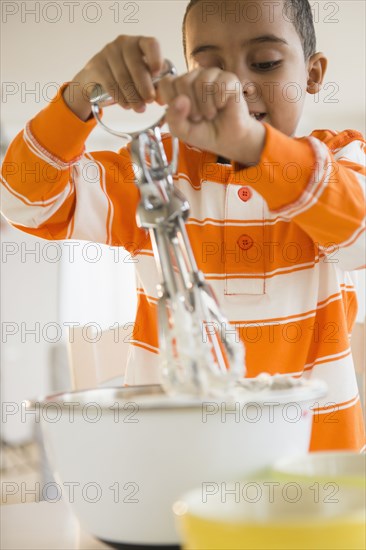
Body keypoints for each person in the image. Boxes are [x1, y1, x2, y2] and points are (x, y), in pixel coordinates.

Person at [1, 0, 365, 451]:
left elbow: (358, 237)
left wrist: (257, 148)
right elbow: (24, 202)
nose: (234, 87)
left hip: (313, 464)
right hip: (175, 463)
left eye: (265, 63)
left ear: (312, 75)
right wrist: (80, 96)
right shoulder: (154, 174)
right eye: (210, 68)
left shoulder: (338, 161)